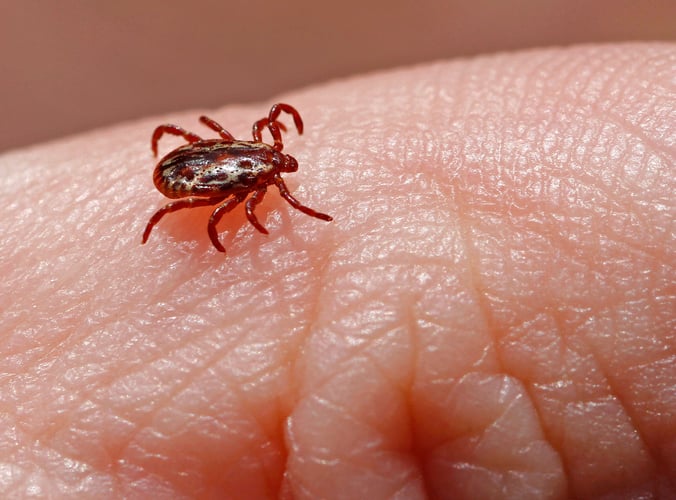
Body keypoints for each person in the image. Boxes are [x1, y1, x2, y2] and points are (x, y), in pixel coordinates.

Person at [0, 43, 673, 498]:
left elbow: (202, 163)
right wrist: (260, 216)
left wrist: (237, 198)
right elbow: (223, 205)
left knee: (203, 183)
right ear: (269, 164)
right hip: (194, 173)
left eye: (276, 161)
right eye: (277, 164)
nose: (282, 170)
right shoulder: (254, 181)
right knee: (209, 197)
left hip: (190, 169)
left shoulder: (249, 163)